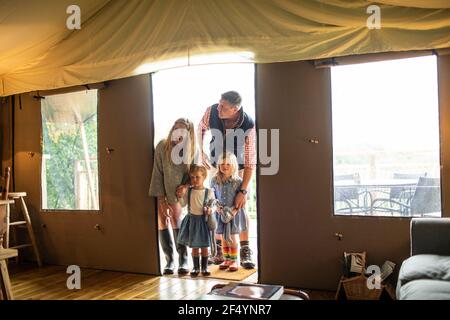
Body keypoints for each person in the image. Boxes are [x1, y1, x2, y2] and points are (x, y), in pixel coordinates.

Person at [198, 91, 256, 269]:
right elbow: (200, 128)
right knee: (217, 206)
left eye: (223, 105)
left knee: (239, 208)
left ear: (235, 109)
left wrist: (243, 190)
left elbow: (250, 160)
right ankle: (220, 252)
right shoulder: (211, 111)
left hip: (237, 169)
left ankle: (245, 251)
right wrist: (202, 152)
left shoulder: (248, 124)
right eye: (219, 103)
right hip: (217, 166)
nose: (218, 107)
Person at [148, 118, 196, 275]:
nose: (179, 133)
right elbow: (157, 174)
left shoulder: (192, 150)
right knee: (162, 221)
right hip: (162, 190)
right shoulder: (162, 146)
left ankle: (183, 258)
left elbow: (196, 175)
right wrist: (161, 200)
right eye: (176, 129)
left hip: (178, 193)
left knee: (176, 219)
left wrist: (186, 187)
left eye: (183, 130)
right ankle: (169, 260)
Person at [176, 165, 216, 277]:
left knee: (204, 246)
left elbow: (214, 205)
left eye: (197, 177)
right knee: (194, 247)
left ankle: (204, 267)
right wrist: (179, 196)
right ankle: (195, 267)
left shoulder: (208, 192)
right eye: (192, 177)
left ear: (204, 177)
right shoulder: (189, 191)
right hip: (192, 221)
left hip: (203, 221)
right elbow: (184, 204)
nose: (194, 180)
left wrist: (210, 210)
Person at [211, 152, 247, 272]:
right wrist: (217, 207)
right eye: (222, 164)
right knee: (223, 238)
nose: (225, 166)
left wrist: (234, 211)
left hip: (233, 214)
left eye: (228, 164)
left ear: (234, 166)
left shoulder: (238, 181)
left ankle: (234, 260)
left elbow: (242, 200)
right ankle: (226, 259)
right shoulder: (214, 180)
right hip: (220, 214)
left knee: (231, 237)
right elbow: (213, 197)